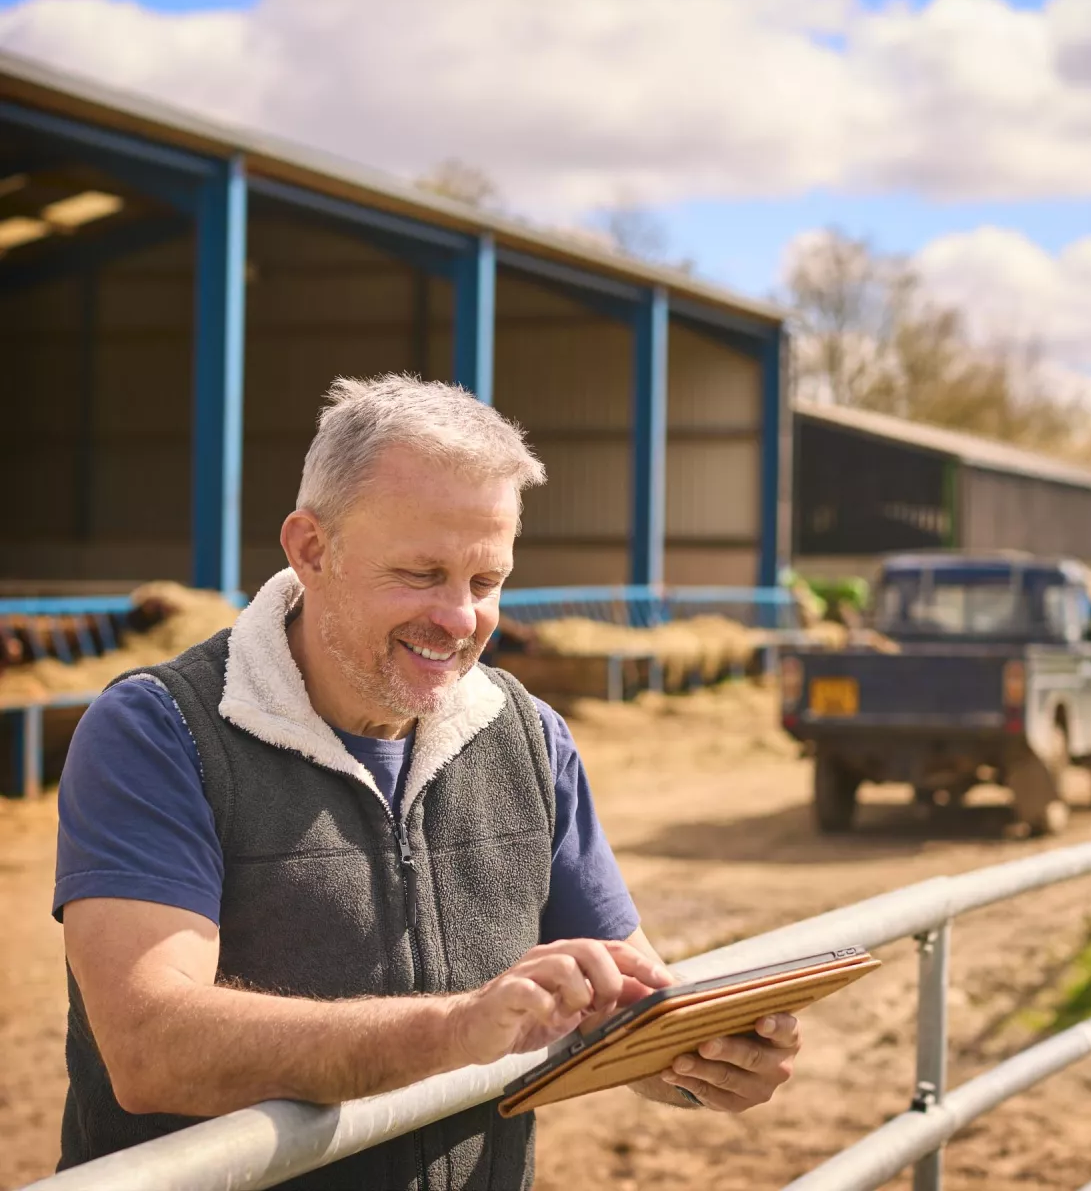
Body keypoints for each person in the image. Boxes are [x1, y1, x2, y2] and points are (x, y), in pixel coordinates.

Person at [53, 375, 800, 1190]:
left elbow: (621, 1004)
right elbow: (151, 1047)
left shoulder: (527, 736)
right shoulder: (159, 733)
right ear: (310, 548)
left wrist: (696, 1059)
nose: (459, 620)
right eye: (420, 573)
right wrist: (452, 1031)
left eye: (486, 583)